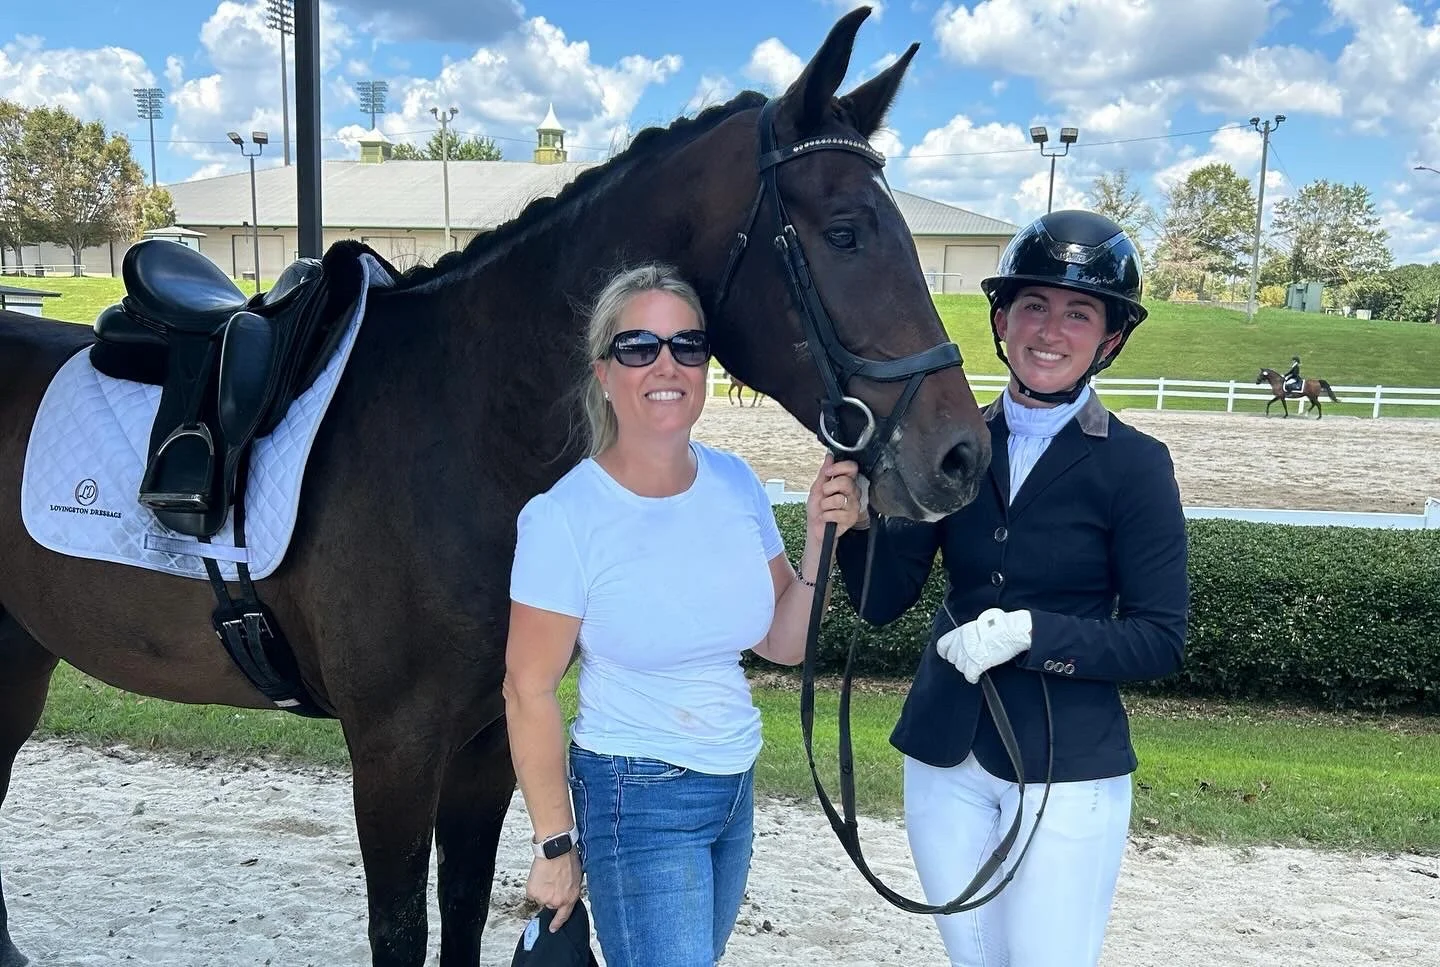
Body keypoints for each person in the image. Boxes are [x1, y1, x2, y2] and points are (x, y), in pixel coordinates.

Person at [834, 210, 1189, 967]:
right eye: (1034, 305)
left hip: (1068, 765)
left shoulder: (1136, 466)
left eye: (1078, 313)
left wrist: (1033, 632)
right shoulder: (954, 441)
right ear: (1001, 319)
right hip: (943, 753)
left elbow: (1159, 637)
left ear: (1110, 339)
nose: (1050, 330)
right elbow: (881, 600)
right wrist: (861, 522)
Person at [503, 264, 862, 967]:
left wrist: (821, 535)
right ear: (604, 371)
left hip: (734, 783)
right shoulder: (564, 518)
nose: (666, 364)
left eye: (686, 345)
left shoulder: (735, 483)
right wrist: (554, 842)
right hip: (634, 795)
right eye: (639, 346)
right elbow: (527, 688)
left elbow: (782, 639)